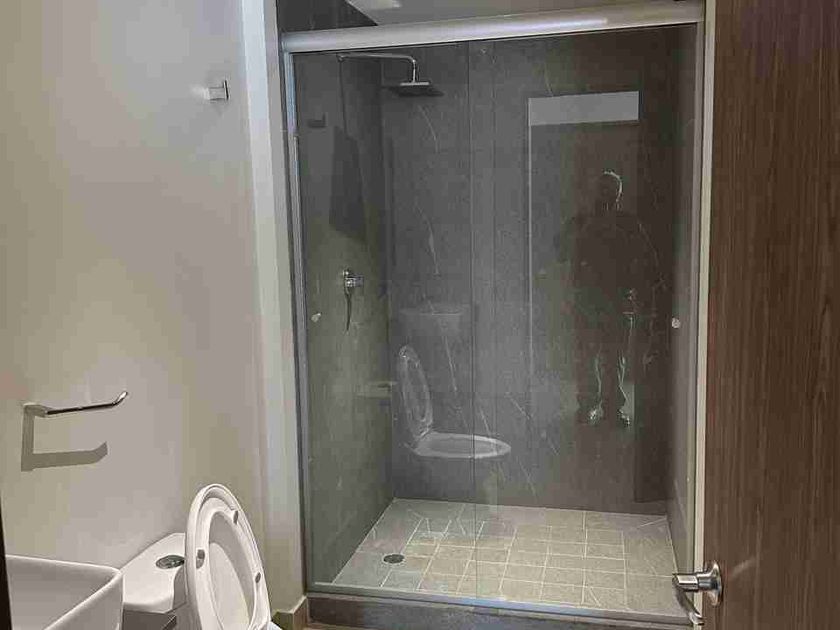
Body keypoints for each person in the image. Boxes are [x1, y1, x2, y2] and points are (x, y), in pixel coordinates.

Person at [554, 170, 660, 427]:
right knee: (609, 357)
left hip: (597, 300)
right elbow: (650, 265)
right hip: (610, 301)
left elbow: (560, 250)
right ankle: (607, 408)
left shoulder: (590, 221)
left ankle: (593, 406)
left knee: (594, 356)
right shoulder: (623, 224)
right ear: (618, 196)